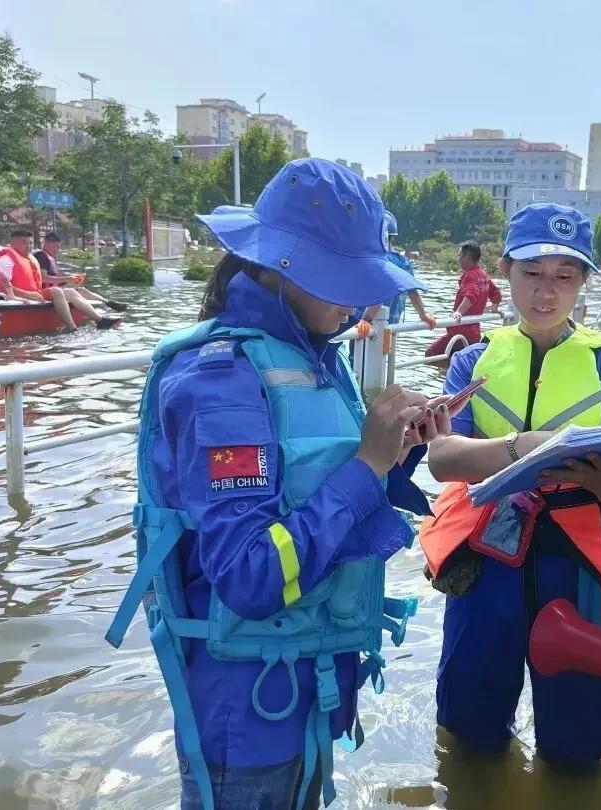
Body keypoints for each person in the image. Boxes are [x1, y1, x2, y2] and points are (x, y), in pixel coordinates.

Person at [105, 158, 453, 810]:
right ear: (283, 267)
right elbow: (250, 575)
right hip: (249, 716)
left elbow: (314, 484)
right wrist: (367, 465)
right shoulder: (222, 382)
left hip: (303, 689)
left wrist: (395, 452)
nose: (362, 301)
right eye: (344, 280)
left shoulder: (314, 356)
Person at [418, 203, 601, 771]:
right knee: (469, 732)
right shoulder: (472, 362)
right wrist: (524, 447)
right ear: (506, 272)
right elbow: (442, 458)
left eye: (564, 274)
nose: (545, 290)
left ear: (583, 281)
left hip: (580, 568)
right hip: (487, 565)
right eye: (532, 271)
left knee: (579, 748)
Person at [0, 230, 120, 330]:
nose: (29, 246)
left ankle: (100, 320)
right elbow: (3, 287)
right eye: (24, 243)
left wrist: (67, 281)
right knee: (58, 291)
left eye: (31, 243)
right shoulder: (6, 260)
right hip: (19, 296)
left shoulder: (30, 258)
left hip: (35, 293)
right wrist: (27, 294)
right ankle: (72, 329)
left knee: (72, 292)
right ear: (12, 244)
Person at [355, 211, 437, 336]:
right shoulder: (404, 262)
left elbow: (379, 295)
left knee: (357, 355)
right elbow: (413, 292)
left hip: (366, 325)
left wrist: (365, 319)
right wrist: (423, 314)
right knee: (387, 354)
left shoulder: (376, 260)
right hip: (392, 326)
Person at [424, 240, 502, 359]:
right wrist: (495, 309)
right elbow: (496, 294)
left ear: (467, 256)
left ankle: (445, 374)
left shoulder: (470, 275)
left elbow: (471, 295)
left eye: (460, 256)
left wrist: (459, 312)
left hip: (461, 332)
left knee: (431, 354)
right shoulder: (483, 275)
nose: (458, 259)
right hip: (474, 333)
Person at [34, 232, 128, 311]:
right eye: (56, 247)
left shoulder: (51, 257)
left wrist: (71, 279)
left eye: (59, 247)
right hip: (47, 292)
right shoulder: (42, 257)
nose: (58, 250)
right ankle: (102, 311)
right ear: (46, 243)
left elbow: (54, 280)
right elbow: (43, 279)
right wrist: (67, 279)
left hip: (54, 290)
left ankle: (109, 303)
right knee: (77, 291)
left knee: (82, 290)